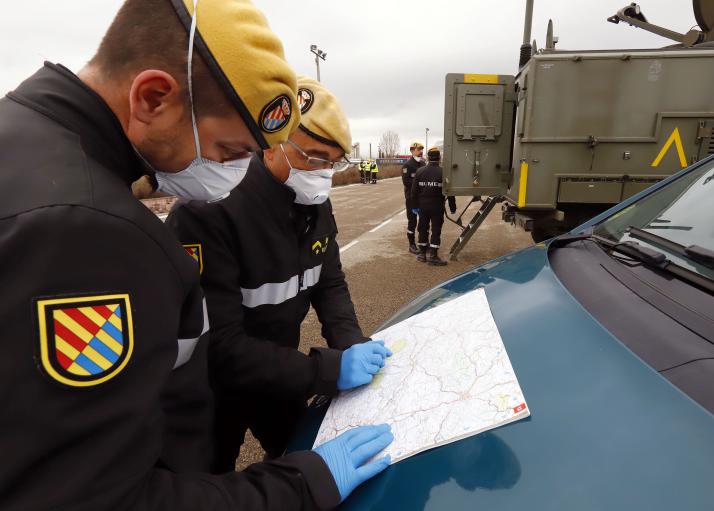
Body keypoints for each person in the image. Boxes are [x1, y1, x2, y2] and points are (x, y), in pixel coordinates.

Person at [0, 1, 391, 509]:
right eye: (230, 152)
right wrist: (298, 487)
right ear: (153, 97)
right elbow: (92, 493)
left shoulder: (27, 146)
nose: (233, 172)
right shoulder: (87, 230)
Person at [167, 76, 390, 472]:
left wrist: (352, 344)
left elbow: (329, 283)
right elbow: (219, 343)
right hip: (212, 387)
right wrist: (328, 370)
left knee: (296, 459)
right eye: (313, 157)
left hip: (280, 374)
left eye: (333, 161)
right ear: (271, 144)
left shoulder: (313, 204)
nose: (323, 173)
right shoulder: (209, 212)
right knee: (210, 480)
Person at [411, 147, 457, 266]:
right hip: (437, 206)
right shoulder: (443, 173)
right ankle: (433, 256)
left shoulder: (420, 171)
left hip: (423, 207)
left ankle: (422, 254)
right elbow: (449, 192)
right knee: (436, 230)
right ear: (439, 158)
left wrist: (414, 206)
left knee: (423, 228)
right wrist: (453, 207)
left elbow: (414, 192)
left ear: (428, 157)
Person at [401, 142, 426, 254]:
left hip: (422, 198)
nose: (420, 151)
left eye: (421, 149)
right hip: (411, 198)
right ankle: (412, 245)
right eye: (418, 149)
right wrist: (420, 183)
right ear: (412, 151)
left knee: (424, 221)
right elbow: (406, 182)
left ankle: (423, 243)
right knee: (412, 221)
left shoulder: (423, 163)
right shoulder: (407, 165)